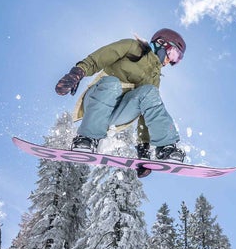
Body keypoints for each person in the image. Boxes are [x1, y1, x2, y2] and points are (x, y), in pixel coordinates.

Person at [54, 28, 186, 178]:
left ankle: (165, 148)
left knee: (150, 92)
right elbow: (99, 58)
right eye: (173, 54)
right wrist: (77, 72)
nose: (171, 61)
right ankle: (87, 138)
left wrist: (143, 149)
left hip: (119, 114)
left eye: (177, 59)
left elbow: (147, 112)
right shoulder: (132, 47)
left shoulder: (154, 77)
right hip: (98, 100)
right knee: (113, 84)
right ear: (161, 43)